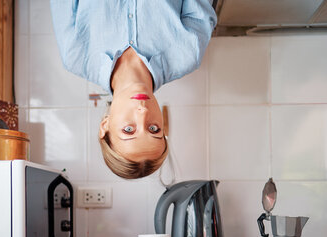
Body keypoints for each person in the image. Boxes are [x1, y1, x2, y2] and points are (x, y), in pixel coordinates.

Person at [50, 0, 217, 179]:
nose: (142, 112)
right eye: (154, 128)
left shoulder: (75, 54)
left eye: (128, 130)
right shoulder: (188, 54)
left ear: (105, 126)